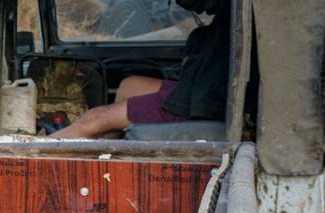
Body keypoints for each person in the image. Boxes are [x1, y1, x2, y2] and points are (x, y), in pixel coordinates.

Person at [50, 0, 230, 139]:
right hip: (202, 85)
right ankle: (107, 154)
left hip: (210, 101)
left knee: (93, 120)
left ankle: (31, 151)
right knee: (131, 85)